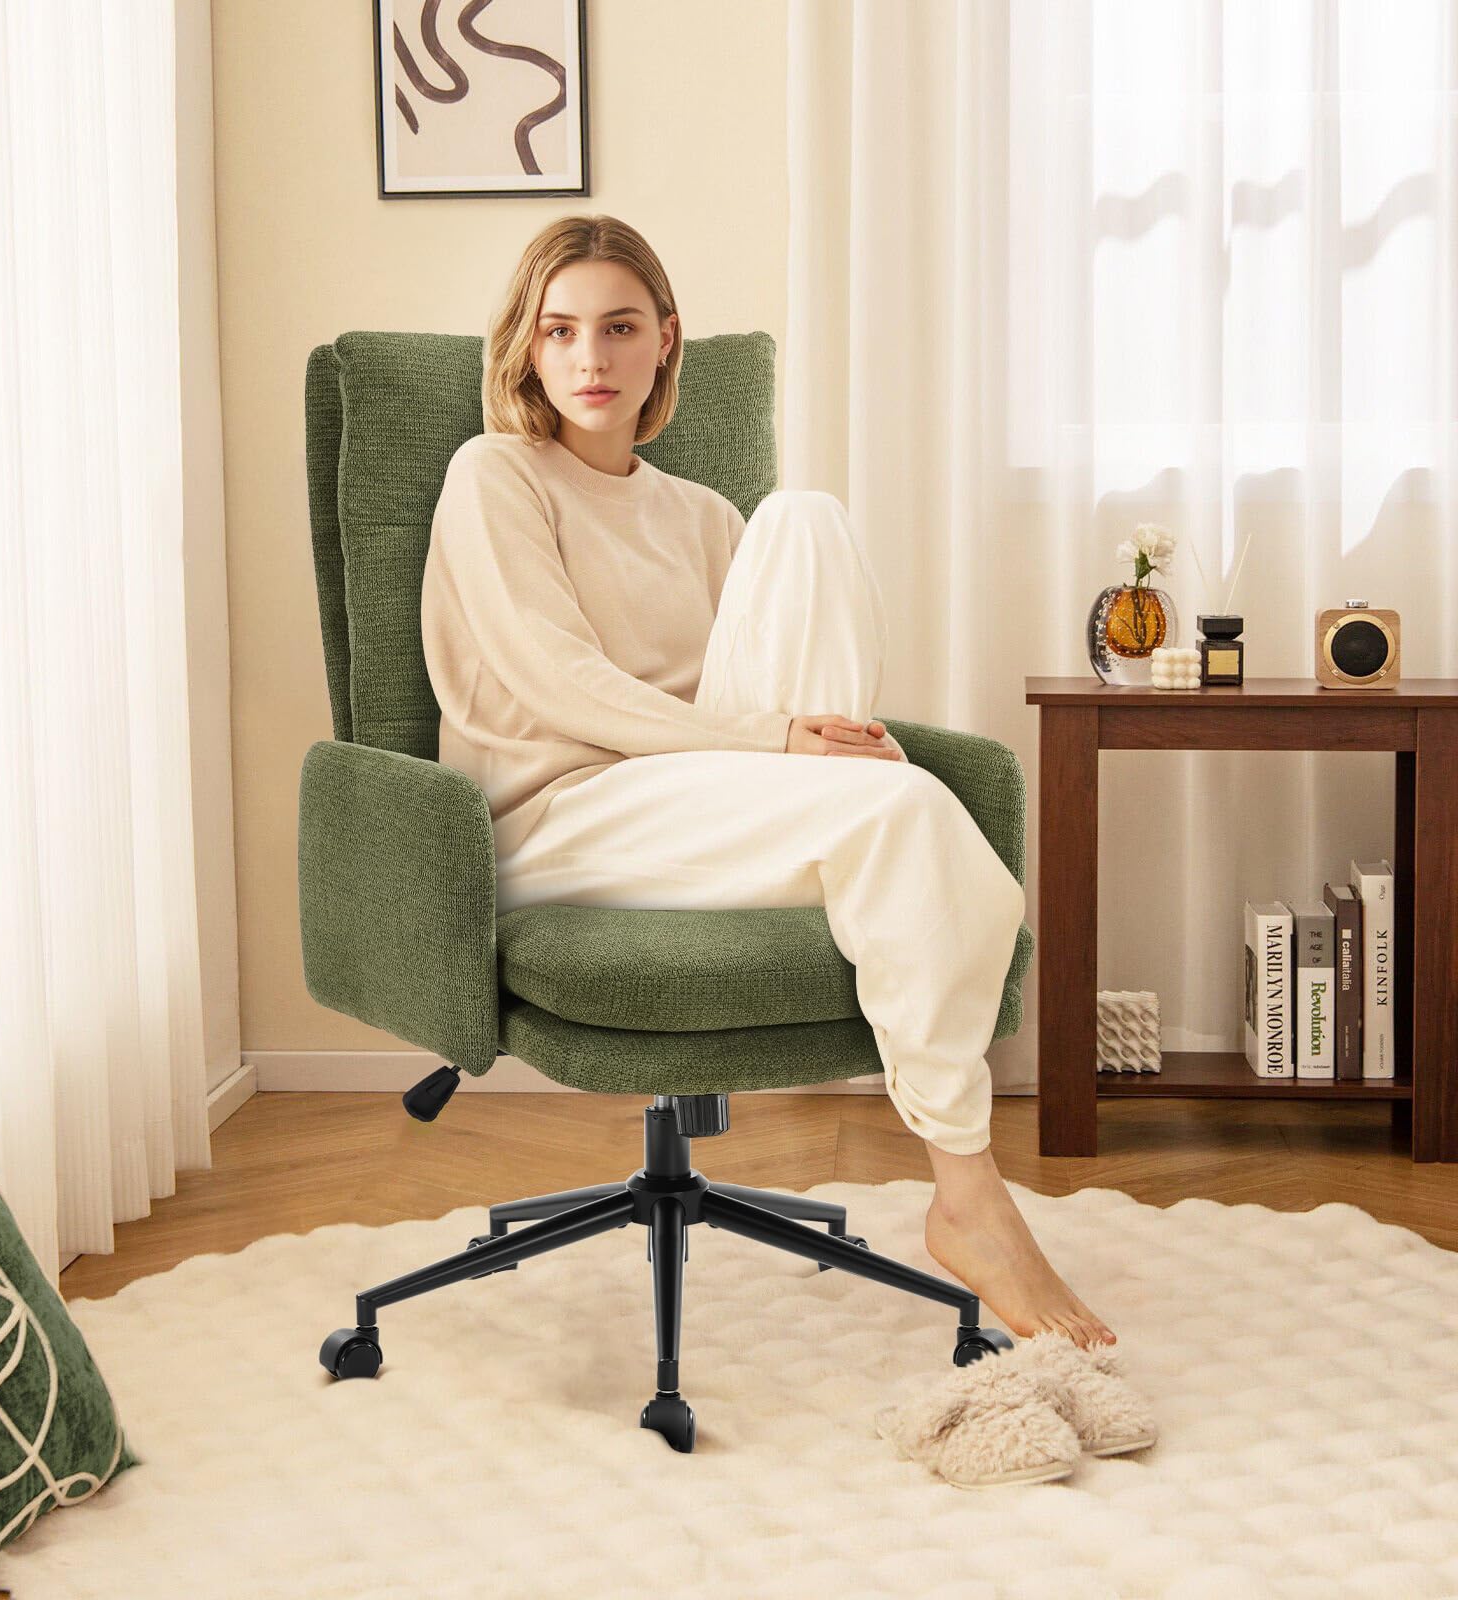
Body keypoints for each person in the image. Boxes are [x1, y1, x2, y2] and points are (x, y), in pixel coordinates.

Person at [419, 213, 1115, 1351]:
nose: (590, 358)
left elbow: (747, 693)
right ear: (527, 348)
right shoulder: (494, 474)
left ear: (665, 340)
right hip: (561, 815)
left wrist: (807, 744)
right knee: (905, 815)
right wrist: (777, 744)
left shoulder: (703, 516)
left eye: (619, 327)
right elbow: (557, 682)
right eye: (560, 331)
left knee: (805, 517)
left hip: (696, 800)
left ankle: (854, 820)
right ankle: (970, 1195)